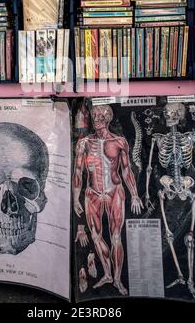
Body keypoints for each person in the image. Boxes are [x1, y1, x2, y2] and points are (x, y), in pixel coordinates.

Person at [73, 104, 143, 295]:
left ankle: (118, 279)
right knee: (96, 235)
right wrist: (76, 197)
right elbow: (78, 171)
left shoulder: (120, 142)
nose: (98, 118)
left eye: (103, 115)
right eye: (95, 114)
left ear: (109, 118)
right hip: (92, 193)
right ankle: (107, 273)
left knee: (115, 237)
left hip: (114, 191)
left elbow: (127, 171)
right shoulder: (84, 143)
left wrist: (135, 195)